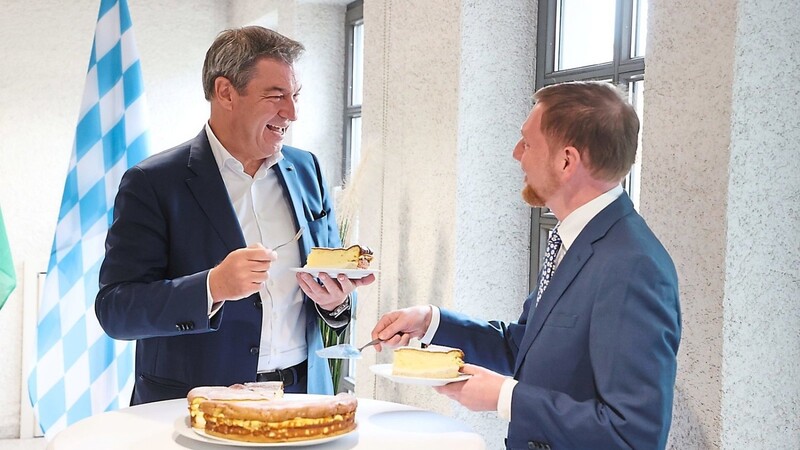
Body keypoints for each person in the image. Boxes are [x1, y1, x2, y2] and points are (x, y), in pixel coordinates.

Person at [371, 81, 681, 449]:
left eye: (528, 143)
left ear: (567, 161)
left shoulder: (634, 266)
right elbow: (524, 349)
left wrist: (507, 398)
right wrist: (430, 321)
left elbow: (634, 434)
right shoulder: (574, 239)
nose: (516, 154)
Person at [95, 26, 374, 405]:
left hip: (302, 398)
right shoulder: (153, 182)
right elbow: (116, 310)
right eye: (276, 96)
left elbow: (329, 279)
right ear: (225, 92)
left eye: (294, 96)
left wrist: (335, 302)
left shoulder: (307, 169)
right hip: (195, 405)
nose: (291, 112)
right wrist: (211, 287)